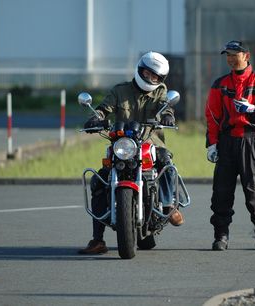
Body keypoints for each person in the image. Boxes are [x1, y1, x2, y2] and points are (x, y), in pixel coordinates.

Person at [78, 51, 184, 255]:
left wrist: (168, 116)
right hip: (122, 143)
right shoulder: (120, 90)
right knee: (99, 181)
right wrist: (96, 118)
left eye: (156, 77)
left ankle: (169, 206)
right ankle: (97, 239)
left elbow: (166, 108)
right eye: (148, 73)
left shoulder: (160, 91)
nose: (151, 79)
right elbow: (103, 108)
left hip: (150, 141)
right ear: (140, 69)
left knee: (166, 161)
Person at [204, 40, 255, 251]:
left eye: (234, 54)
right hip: (226, 143)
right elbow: (212, 117)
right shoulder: (219, 84)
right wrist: (212, 144)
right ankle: (221, 236)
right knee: (221, 192)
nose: (230, 58)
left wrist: (252, 109)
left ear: (246, 56)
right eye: (227, 55)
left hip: (252, 140)